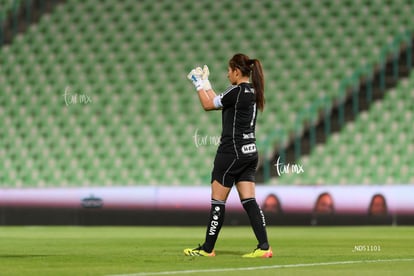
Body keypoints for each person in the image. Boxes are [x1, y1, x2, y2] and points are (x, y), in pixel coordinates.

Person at [184, 53, 272, 258]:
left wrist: (198, 85)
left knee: (217, 202)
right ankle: (264, 247)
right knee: (249, 201)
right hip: (250, 152)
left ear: (237, 71)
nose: (227, 74)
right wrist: (206, 83)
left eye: (229, 70)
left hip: (230, 152)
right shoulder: (251, 90)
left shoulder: (236, 91)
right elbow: (218, 100)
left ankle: (207, 249)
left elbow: (208, 105)